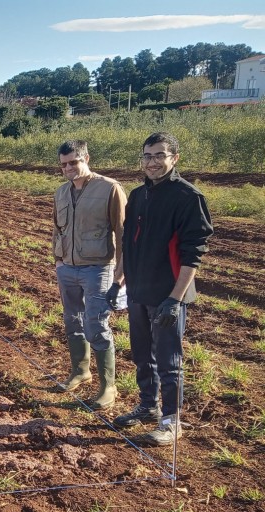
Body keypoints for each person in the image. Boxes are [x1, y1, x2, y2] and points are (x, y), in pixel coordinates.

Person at [111, 132, 213, 445]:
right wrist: (118, 281)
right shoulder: (138, 195)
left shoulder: (187, 197)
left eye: (159, 155)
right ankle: (148, 406)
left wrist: (174, 299)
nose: (152, 162)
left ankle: (171, 421)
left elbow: (193, 253)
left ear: (174, 158)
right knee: (142, 355)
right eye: (147, 156)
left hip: (168, 294)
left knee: (169, 362)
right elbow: (128, 242)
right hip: (139, 291)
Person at [52, 140, 126, 410]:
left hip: (98, 268)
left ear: (86, 158)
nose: (68, 168)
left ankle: (108, 387)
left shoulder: (109, 188)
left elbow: (123, 232)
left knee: (96, 324)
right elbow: (57, 229)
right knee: (72, 321)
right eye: (64, 164)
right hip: (67, 268)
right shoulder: (61, 192)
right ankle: (80, 371)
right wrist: (58, 260)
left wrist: (121, 274)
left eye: (74, 162)